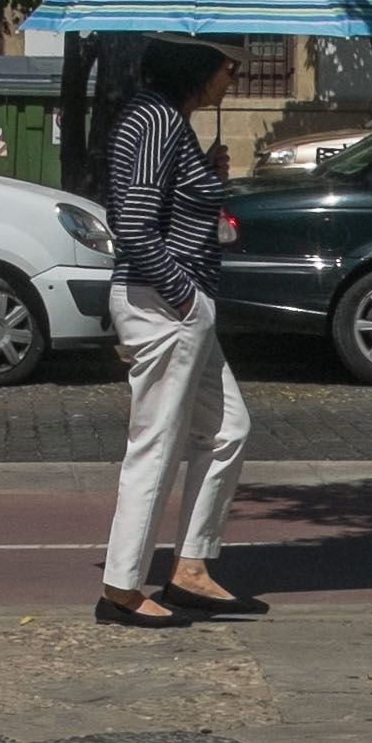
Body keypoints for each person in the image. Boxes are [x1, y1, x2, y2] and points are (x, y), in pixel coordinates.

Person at [95, 35, 261, 628]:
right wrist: (185, 297)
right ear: (197, 67)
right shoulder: (156, 122)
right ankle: (121, 588)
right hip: (163, 304)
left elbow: (166, 208)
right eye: (228, 66)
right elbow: (134, 223)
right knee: (157, 442)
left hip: (177, 304)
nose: (233, 78)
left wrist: (206, 177)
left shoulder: (168, 123)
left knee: (228, 429)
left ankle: (190, 567)